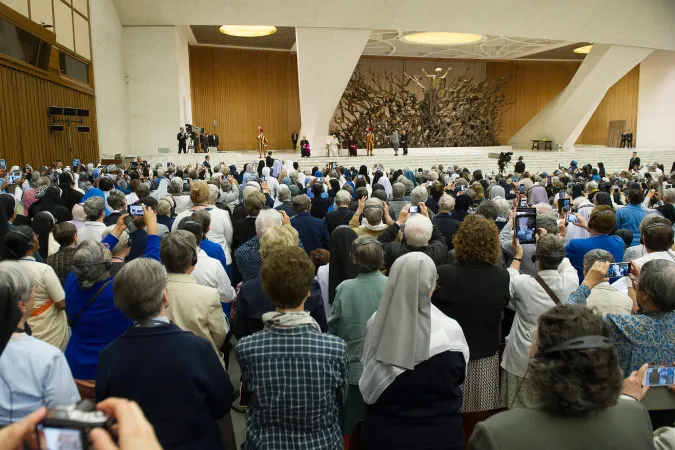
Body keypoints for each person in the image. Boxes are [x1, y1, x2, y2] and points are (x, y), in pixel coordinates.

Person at [467, 305, 654, 450]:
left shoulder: (496, 433)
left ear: (541, 360)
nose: (531, 348)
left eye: (535, 341)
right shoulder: (636, 414)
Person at [96, 258, 235, 450]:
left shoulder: (108, 356)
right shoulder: (197, 348)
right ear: (165, 297)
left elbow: (107, 410)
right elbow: (222, 402)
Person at [236, 246, 348, 449]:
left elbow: (250, 398)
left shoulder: (247, 348)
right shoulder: (335, 348)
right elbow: (340, 399)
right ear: (308, 293)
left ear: (269, 292)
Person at [359, 253, 469, 450]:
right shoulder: (451, 331)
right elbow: (459, 377)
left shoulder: (376, 324)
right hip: (442, 436)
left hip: (385, 436)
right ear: (432, 285)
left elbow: (367, 368)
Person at [433, 214, 510, 414]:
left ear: (460, 240)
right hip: (485, 352)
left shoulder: (443, 274)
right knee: (482, 414)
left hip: (450, 354)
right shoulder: (501, 276)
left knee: (451, 411)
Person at [501, 234, 580, 409]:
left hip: (522, 359)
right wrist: (550, 242)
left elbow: (509, 277)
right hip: (558, 359)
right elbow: (566, 264)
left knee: (519, 414)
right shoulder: (572, 281)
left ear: (536, 258)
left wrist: (518, 253)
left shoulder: (523, 285)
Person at [0, 261, 80, 425]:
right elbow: (65, 415)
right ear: (22, 304)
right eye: (32, 289)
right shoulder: (48, 357)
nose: (35, 291)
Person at [328, 236, 387, 434]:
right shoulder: (392, 286)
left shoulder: (345, 288)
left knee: (351, 428)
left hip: (354, 371)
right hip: (387, 370)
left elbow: (334, 329)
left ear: (354, 259)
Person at [161, 231, 228, 365]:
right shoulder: (209, 295)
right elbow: (220, 334)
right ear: (193, 260)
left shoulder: (151, 291)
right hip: (203, 361)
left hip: (165, 363)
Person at [4, 226, 68, 351]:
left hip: (15, 333)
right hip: (49, 333)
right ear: (30, 245)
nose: (37, 238)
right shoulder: (43, 270)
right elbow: (61, 304)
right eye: (35, 235)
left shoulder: (5, 270)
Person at [563, 206, 626, 283]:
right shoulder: (619, 242)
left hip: (585, 289)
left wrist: (561, 234)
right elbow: (600, 233)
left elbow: (555, 257)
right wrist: (588, 226)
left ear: (590, 223)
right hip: (613, 288)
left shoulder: (576, 245)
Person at [378, 204, 447, 271]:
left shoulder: (395, 252)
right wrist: (428, 220)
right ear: (430, 235)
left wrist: (399, 222)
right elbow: (440, 239)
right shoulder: (437, 253)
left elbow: (380, 241)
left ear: (405, 235)